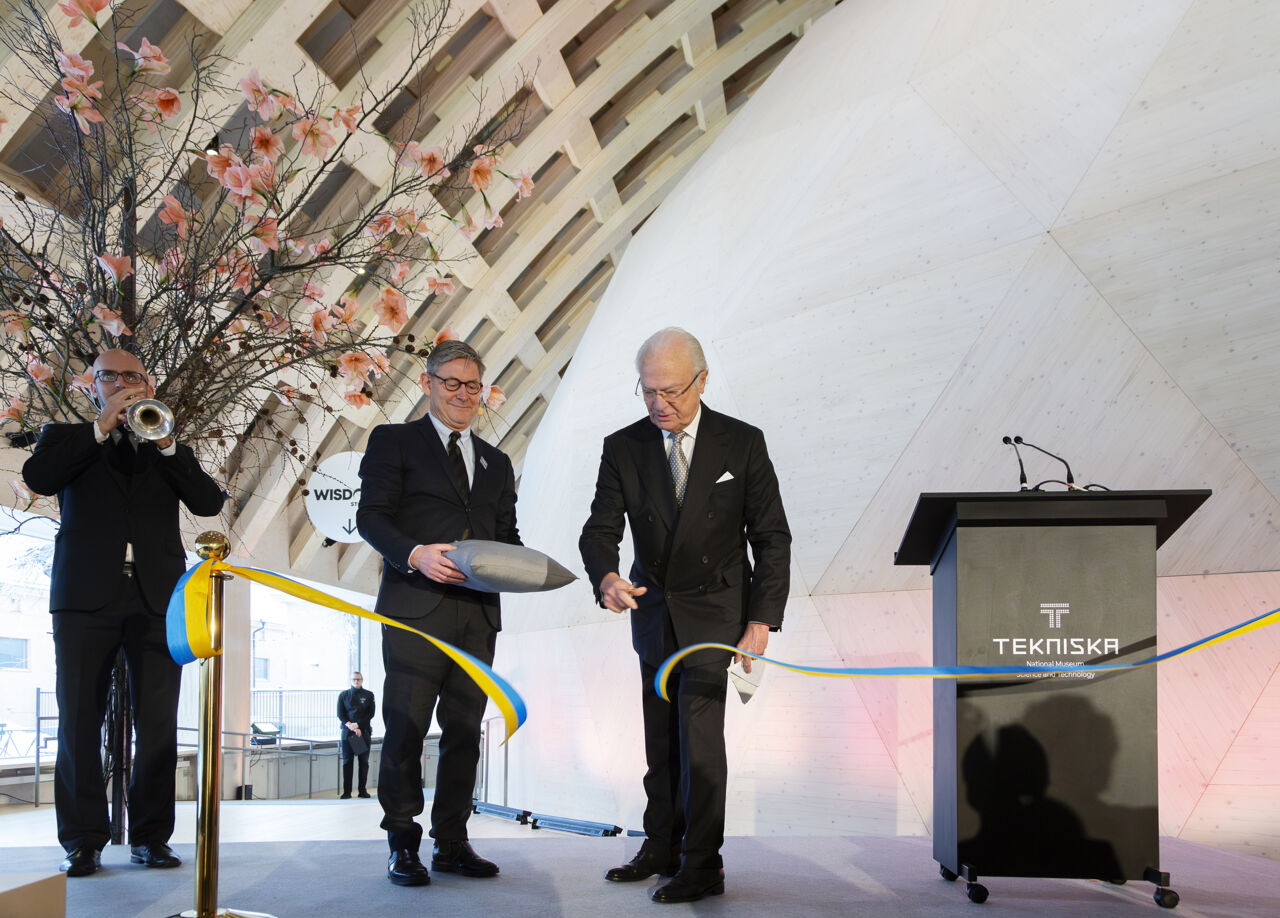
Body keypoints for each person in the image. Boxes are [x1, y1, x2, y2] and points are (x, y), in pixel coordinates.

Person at [579, 328, 791, 904]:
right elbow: (599, 529)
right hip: (653, 615)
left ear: (701, 380)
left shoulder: (741, 443)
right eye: (647, 392)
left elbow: (771, 537)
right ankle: (660, 847)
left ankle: (703, 863)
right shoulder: (623, 447)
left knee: (700, 746)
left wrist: (762, 620)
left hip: (715, 618)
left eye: (670, 392)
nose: (658, 405)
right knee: (659, 745)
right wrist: (606, 578)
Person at [21, 348, 226, 877]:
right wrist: (99, 429)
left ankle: (151, 837)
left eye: (131, 376)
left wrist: (168, 444)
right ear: (93, 385)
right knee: (79, 720)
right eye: (109, 376)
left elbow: (207, 503)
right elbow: (40, 479)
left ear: (148, 383)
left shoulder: (165, 444)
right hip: (84, 597)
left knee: (158, 725)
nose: (120, 384)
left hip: (158, 600)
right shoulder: (64, 438)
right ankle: (83, 840)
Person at [357, 339, 519, 888]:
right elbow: (371, 518)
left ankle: (452, 840)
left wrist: (523, 568)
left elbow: (507, 538)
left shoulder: (497, 462)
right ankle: (403, 842)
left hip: (476, 616)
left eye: (473, 385)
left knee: (464, 731)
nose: (463, 395)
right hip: (413, 609)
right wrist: (414, 554)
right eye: (452, 383)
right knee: (404, 728)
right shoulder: (394, 441)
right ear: (427, 384)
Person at [337, 671, 376, 798]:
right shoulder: (343, 695)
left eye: (358, 679)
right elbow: (340, 714)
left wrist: (358, 725)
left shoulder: (369, 695)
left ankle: (362, 790)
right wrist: (351, 726)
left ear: (362, 680)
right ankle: (347, 792)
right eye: (354, 679)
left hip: (363, 732)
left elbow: (370, 714)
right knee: (347, 762)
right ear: (350, 680)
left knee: (363, 762)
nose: (356, 681)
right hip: (348, 733)